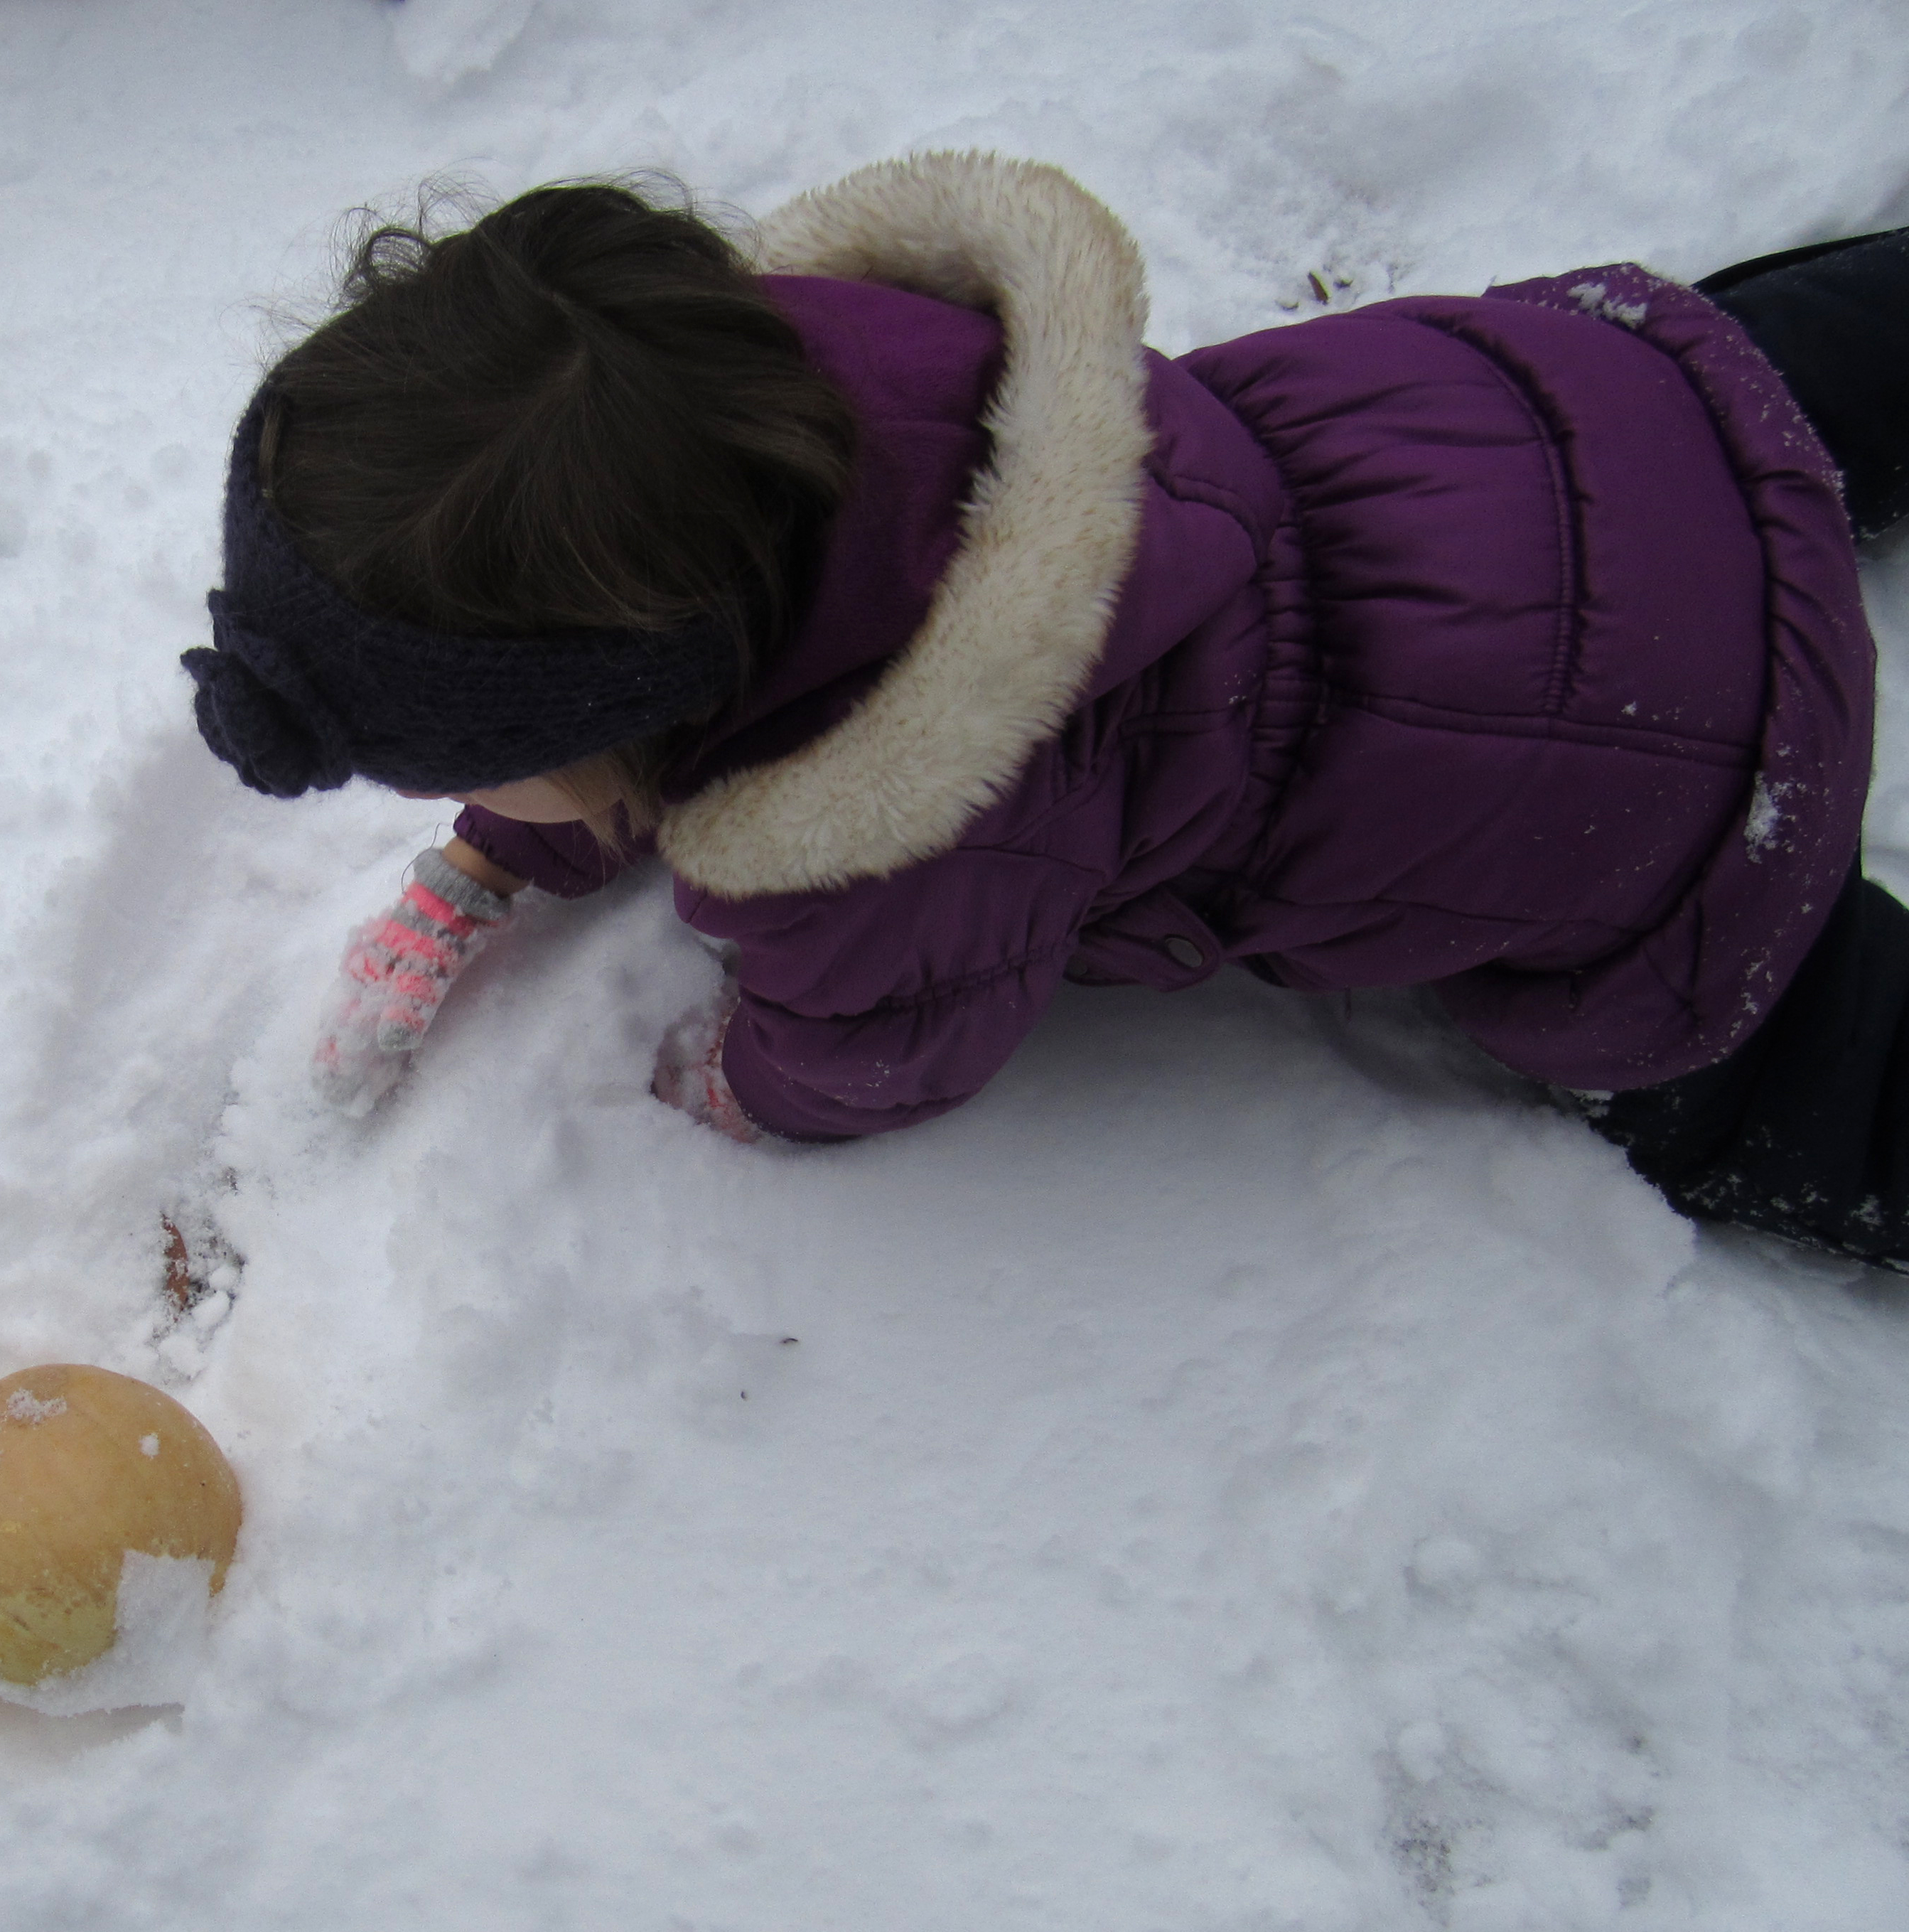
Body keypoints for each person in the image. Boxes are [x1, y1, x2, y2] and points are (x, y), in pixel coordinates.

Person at [180, 154, 1905, 1271]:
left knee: (1799, 1062)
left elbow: (894, 1040)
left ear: (630, 714)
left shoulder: (873, 840)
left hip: (1682, 789)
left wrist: (748, 1086)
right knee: (1791, 373)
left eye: (482, 776)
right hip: (1624, 416)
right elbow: (569, 655)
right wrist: (496, 862)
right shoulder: (771, 398)